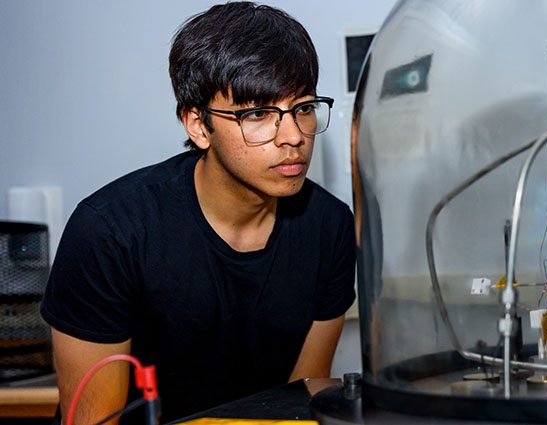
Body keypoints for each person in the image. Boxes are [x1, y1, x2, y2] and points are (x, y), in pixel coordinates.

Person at [39, 2, 355, 424]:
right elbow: (96, 421)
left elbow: (299, 401)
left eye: (303, 107)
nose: (294, 136)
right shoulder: (110, 232)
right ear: (198, 125)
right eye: (258, 113)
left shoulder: (330, 227)